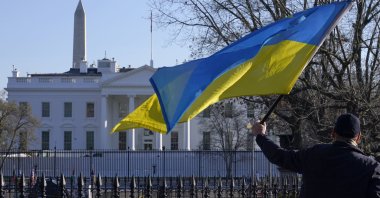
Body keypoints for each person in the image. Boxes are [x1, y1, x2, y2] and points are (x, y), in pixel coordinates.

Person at [251, 113, 380, 198]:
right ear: (358, 138)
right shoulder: (372, 168)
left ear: (333, 133)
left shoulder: (314, 154)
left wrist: (260, 136)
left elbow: (280, 156)